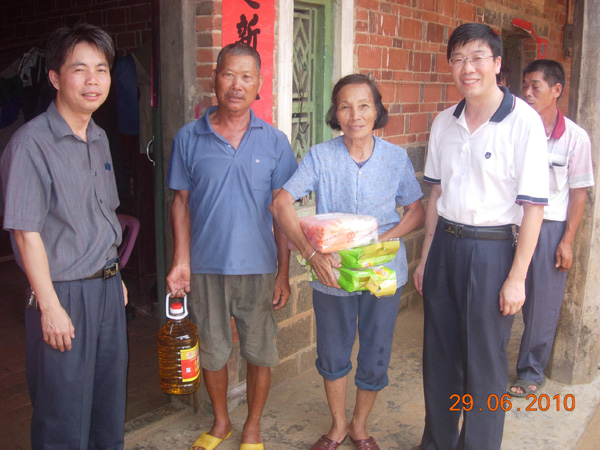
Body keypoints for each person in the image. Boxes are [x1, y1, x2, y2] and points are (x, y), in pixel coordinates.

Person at [412, 23, 549, 450]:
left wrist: (517, 277)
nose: (467, 68)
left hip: (492, 252)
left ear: (497, 63)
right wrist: (426, 258)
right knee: (439, 359)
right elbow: (436, 195)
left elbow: (535, 208)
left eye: (477, 58)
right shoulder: (444, 122)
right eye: (458, 59)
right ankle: (437, 442)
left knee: (484, 364)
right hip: (445, 245)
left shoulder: (523, 122)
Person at [270, 73, 425, 450]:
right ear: (335, 114)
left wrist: (380, 240)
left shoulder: (395, 158)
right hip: (333, 272)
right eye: (345, 107)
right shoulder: (321, 156)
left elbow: (416, 211)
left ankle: (359, 425)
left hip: (382, 272)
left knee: (376, 352)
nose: (355, 115)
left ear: (377, 111)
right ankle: (338, 425)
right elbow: (280, 203)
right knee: (333, 352)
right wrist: (310, 253)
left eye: (364, 105)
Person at [0, 24, 128, 448]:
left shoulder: (98, 136)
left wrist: (114, 274)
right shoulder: (30, 144)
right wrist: (50, 306)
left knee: (107, 407)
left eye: (101, 69)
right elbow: (26, 234)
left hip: (107, 288)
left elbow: (102, 214)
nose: (93, 80)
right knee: (63, 417)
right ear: (55, 77)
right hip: (63, 295)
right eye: (79, 69)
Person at [166, 43, 297, 450]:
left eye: (246, 77)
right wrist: (181, 261)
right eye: (228, 74)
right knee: (212, 350)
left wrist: (283, 272)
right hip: (206, 267)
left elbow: (282, 212)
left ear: (259, 84)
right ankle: (221, 421)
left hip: (259, 268)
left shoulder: (275, 141)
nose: (236, 85)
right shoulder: (188, 137)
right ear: (215, 79)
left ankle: (252, 426)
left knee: (259, 351)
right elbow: (180, 202)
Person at [508, 59, 594, 397]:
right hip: (510, 224)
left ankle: (530, 372)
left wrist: (567, 240)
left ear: (556, 90)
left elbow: (579, 192)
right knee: (497, 294)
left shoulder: (575, 138)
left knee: (542, 306)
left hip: (549, 228)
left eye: (535, 86)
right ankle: (487, 364)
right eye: (525, 85)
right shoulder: (513, 128)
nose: (527, 93)